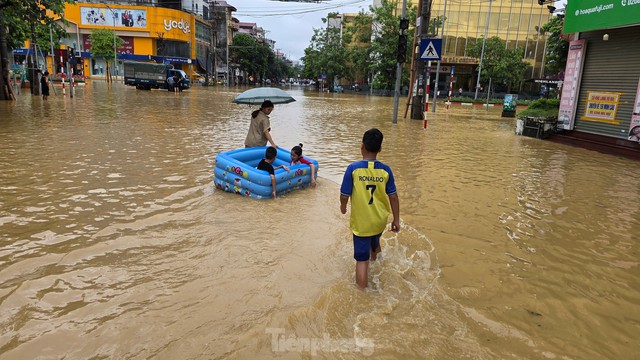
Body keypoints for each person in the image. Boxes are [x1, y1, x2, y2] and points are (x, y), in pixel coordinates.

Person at [340, 128, 400, 289]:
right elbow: (393, 196)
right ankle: (379, 269)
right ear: (380, 149)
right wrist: (396, 219)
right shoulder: (385, 170)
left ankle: (362, 294)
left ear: (361, 146)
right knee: (375, 243)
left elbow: (344, 194)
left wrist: (343, 206)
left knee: (361, 260)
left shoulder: (353, 169)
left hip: (362, 224)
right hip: (379, 220)